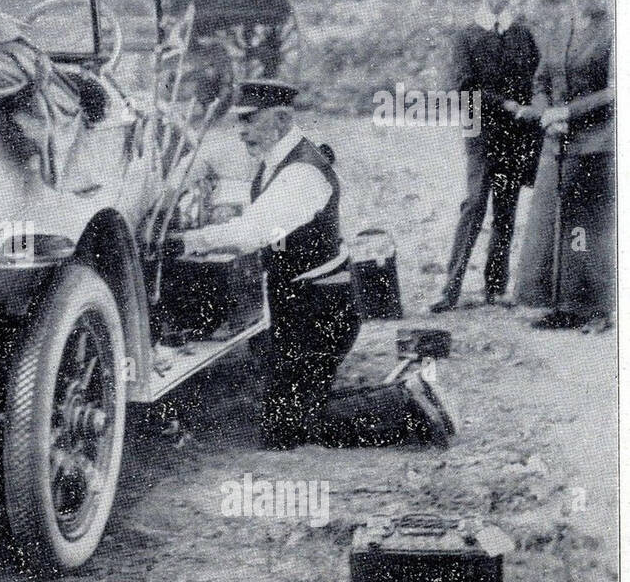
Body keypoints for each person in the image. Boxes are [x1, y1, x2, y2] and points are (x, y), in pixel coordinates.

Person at [171, 80, 456, 449]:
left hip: (321, 313)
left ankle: (407, 403)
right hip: (301, 306)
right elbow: (219, 158)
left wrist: (187, 242)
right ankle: (392, 396)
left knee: (289, 431)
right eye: (239, 122)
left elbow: (252, 232)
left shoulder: (301, 174)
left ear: (281, 119)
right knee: (282, 414)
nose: (241, 132)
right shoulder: (279, 153)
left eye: (249, 121)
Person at [431, 0, 543, 312]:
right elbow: (463, 88)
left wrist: (532, 108)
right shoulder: (465, 38)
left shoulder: (523, 35)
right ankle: (450, 288)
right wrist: (507, 104)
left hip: (514, 134)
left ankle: (495, 287)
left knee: (506, 209)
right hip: (479, 129)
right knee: (475, 204)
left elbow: (535, 80)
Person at [515, 0, 615, 331]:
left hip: (596, 142)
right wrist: (545, 113)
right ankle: (562, 304)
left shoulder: (613, 32)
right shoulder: (560, 29)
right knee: (555, 224)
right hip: (557, 143)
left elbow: (614, 92)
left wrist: (568, 113)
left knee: (587, 227)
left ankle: (596, 309)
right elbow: (540, 81)